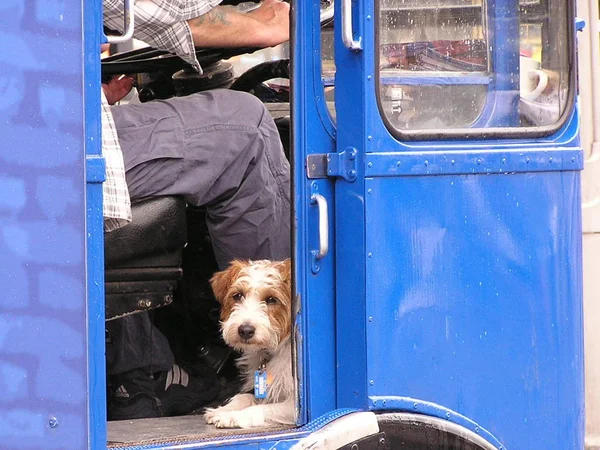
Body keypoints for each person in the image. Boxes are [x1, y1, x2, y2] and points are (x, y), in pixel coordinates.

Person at [101, 0, 291, 420]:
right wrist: (258, 26)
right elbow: (155, 11)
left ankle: (146, 369)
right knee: (247, 128)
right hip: (45, 133)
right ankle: (284, 346)